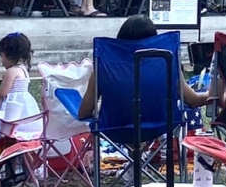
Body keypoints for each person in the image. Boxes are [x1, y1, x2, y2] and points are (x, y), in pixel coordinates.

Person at [77, 13, 212, 120]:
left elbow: (84, 113)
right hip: (161, 126)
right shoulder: (166, 62)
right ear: (154, 40)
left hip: (114, 129)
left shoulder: (105, 64)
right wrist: (214, 95)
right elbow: (193, 101)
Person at [0, 32, 42, 141]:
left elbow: (2, 92)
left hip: (13, 106)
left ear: (9, 55)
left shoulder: (11, 71)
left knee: (11, 129)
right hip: (24, 104)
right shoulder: (23, 69)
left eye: (1, 57)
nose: (1, 61)